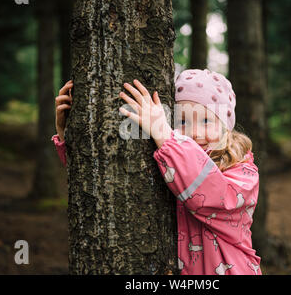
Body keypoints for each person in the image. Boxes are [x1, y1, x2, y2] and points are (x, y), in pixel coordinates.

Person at [51, 69, 262, 275]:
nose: (195, 132)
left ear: (226, 127)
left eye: (206, 120)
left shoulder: (243, 173)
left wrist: (163, 133)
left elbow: (211, 195)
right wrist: (68, 135)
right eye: (182, 121)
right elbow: (103, 181)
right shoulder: (170, 158)